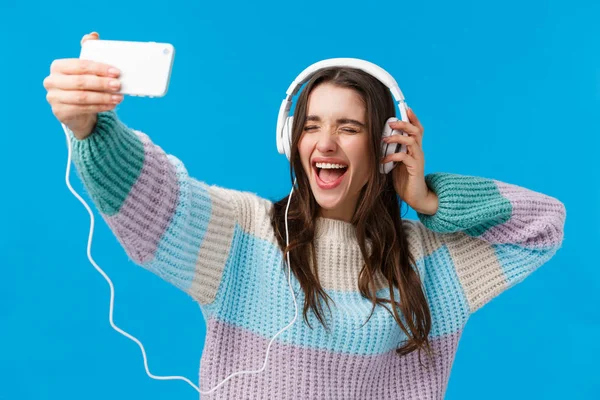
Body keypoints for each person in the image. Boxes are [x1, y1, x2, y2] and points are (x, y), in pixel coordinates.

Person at [43, 32, 566, 400]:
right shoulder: (244, 233)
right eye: (311, 125)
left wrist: (428, 197)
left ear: (387, 147)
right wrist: (89, 128)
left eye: (350, 128)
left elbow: (542, 226)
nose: (325, 143)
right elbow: (151, 195)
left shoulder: (427, 264)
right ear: (291, 140)